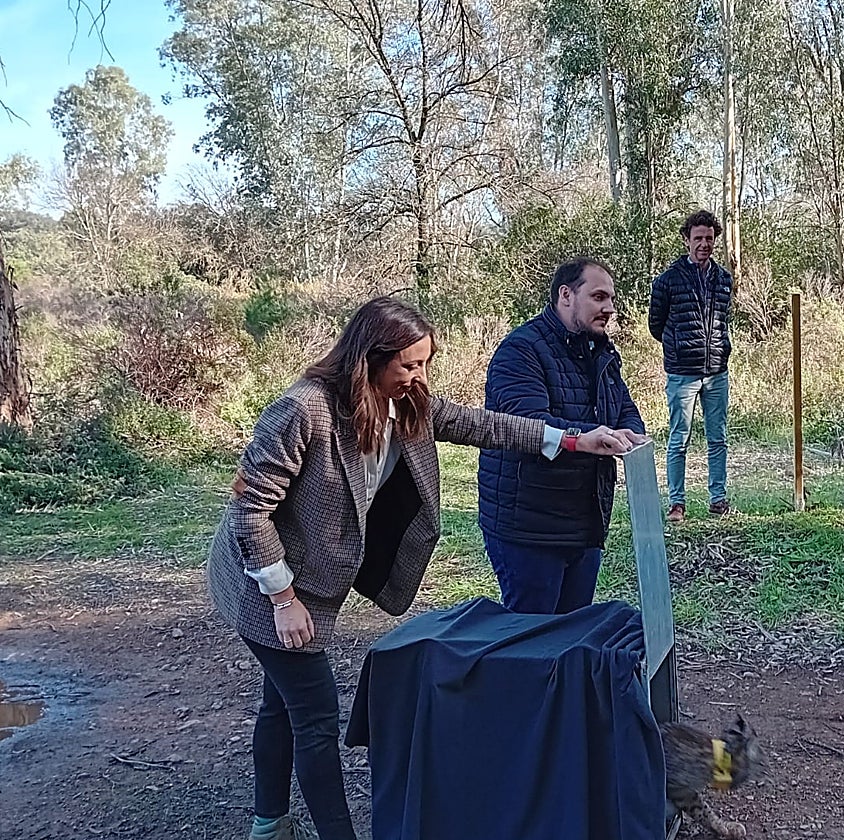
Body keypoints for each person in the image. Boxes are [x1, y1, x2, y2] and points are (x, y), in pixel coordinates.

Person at [208, 296, 634, 840]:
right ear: (369, 358)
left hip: (311, 578)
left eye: (425, 363)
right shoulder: (304, 409)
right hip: (261, 580)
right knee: (314, 716)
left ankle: (268, 824)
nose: (418, 376)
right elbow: (249, 508)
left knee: (281, 702)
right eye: (408, 365)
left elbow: (487, 427)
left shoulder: (406, 405)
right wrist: (282, 599)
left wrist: (575, 439)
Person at [478, 258, 647, 613]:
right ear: (566, 295)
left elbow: (623, 407)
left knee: (570, 640)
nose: (609, 308)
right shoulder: (520, 351)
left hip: (583, 524)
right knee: (532, 643)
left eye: (611, 299)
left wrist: (633, 433)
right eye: (599, 297)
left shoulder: (601, 351)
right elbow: (525, 423)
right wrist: (590, 437)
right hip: (528, 529)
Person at [649, 209, 734, 523]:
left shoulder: (724, 279)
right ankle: (677, 503)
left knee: (718, 437)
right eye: (698, 238)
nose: (704, 244)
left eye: (709, 239)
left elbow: (724, 321)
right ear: (686, 240)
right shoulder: (667, 281)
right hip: (682, 373)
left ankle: (718, 499)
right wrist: (679, 347)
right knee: (679, 438)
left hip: (717, 372)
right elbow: (656, 326)